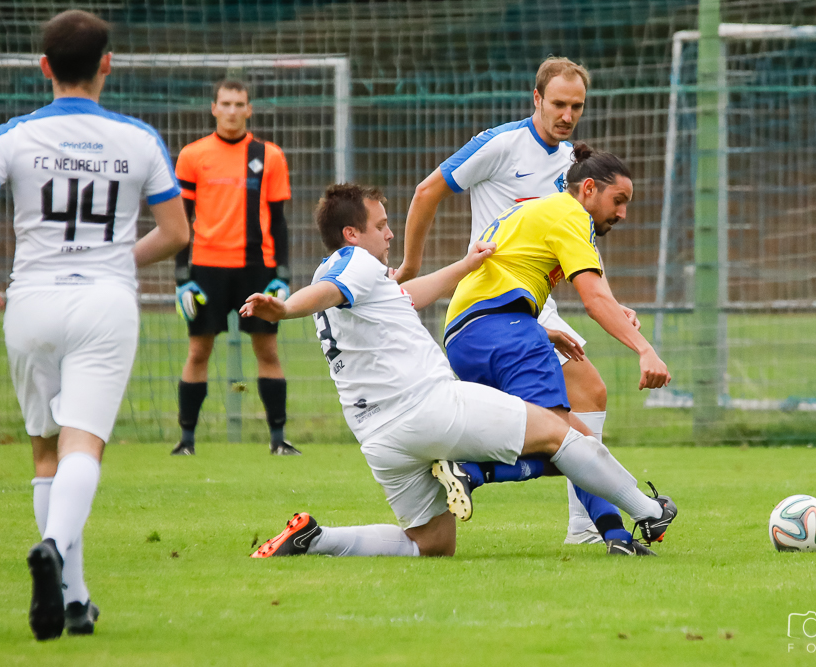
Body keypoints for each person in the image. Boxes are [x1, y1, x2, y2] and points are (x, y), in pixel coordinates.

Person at [241, 184, 672, 559]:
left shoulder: (367, 282)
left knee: (431, 544)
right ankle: (650, 512)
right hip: (429, 407)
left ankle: (316, 539)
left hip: (379, 438)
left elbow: (404, 294)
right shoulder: (351, 261)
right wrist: (283, 308)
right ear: (352, 234)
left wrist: (466, 266)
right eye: (381, 225)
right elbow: (325, 289)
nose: (390, 233)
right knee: (565, 433)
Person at [0, 10, 189, 640]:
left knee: (45, 446)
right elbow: (176, 233)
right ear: (107, 64)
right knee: (85, 443)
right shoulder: (137, 139)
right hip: (105, 304)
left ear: (45, 67)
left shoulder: (15, 137)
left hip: (29, 301)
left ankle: (75, 599)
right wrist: (110, 259)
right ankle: (53, 548)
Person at [395, 56, 637, 545]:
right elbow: (426, 192)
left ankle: (580, 524)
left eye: (577, 106)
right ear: (536, 100)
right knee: (560, 420)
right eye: (559, 104)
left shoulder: (575, 167)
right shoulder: (503, 144)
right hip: (494, 303)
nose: (567, 115)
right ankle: (587, 522)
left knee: (583, 400)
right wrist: (410, 268)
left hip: (533, 306)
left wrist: (611, 299)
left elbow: (572, 246)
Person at [438, 144, 677, 553]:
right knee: (570, 439)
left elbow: (517, 272)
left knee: (563, 444)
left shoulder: (542, 209)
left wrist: (543, 332)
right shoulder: (571, 214)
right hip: (507, 328)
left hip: (467, 336)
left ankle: (618, 536)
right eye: (618, 201)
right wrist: (644, 350)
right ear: (588, 189)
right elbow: (594, 299)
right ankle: (471, 471)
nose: (622, 214)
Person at [170, 79, 297, 456]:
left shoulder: (269, 155)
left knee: (268, 350)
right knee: (198, 352)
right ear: (213, 108)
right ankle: (187, 441)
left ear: (249, 110)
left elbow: (278, 221)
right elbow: (180, 220)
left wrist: (282, 275)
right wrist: (182, 278)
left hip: (257, 269)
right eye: (224, 103)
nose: (231, 110)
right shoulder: (193, 155)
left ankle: (278, 440)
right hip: (206, 269)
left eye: (239, 103)